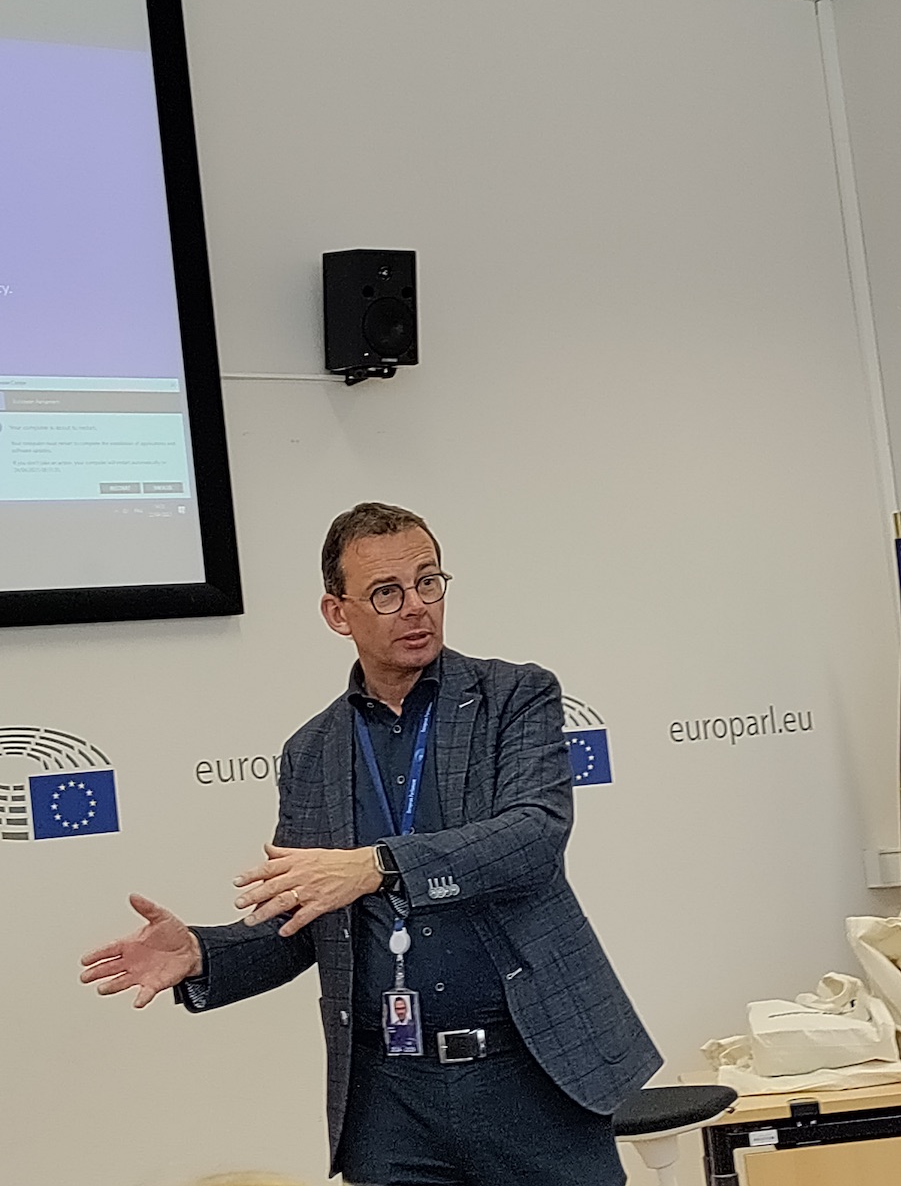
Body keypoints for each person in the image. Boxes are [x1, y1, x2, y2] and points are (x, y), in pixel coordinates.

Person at [81, 502, 661, 1186]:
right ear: (338, 613)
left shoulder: (513, 697)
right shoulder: (312, 752)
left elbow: (533, 836)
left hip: (529, 1075)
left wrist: (378, 866)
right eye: (386, 592)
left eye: (428, 582)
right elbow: (304, 921)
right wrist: (203, 954)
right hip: (390, 1098)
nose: (415, 607)